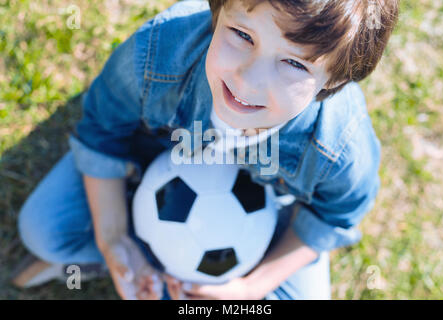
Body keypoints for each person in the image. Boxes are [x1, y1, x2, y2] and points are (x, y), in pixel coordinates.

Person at [13, 0, 399, 300]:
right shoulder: (158, 55)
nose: (248, 79)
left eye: (294, 64)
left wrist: (250, 289)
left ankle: (180, 279)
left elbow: (336, 217)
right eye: (243, 36)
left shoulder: (338, 146)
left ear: (332, 82)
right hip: (148, 157)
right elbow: (101, 129)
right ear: (218, 13)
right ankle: (134, 256)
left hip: (272, 209)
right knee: (45, 231)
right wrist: (112, 236)